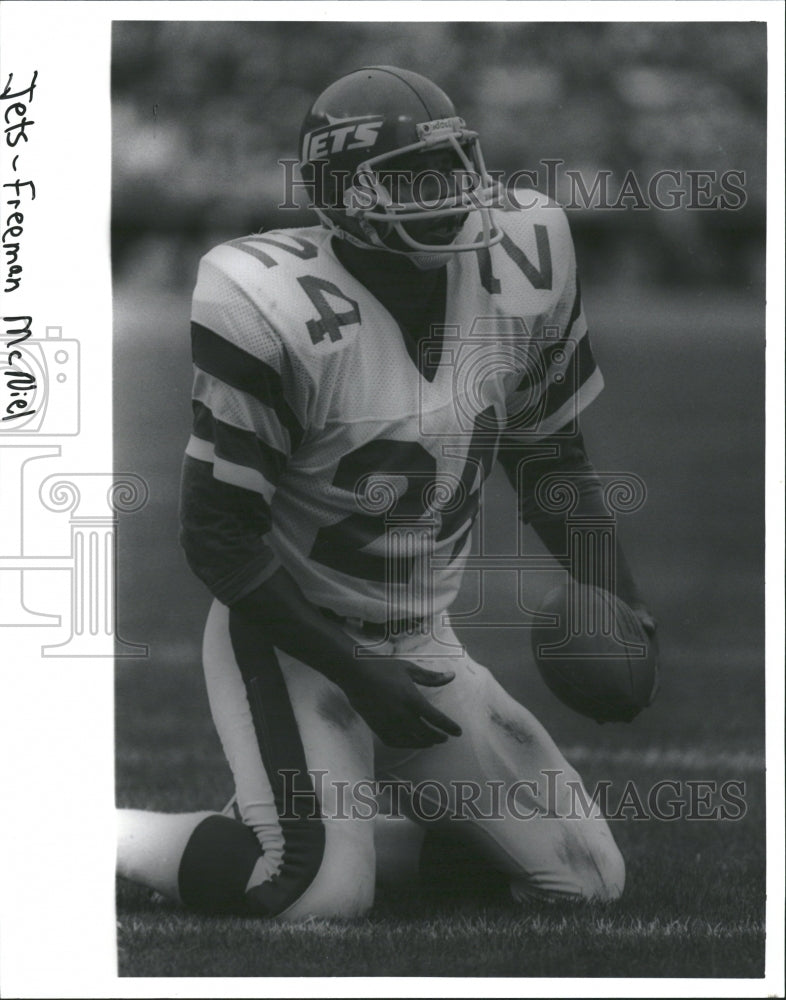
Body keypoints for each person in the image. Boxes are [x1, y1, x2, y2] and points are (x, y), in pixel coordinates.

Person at [117, 65, 657, 918]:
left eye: (451, 167)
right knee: (312, 895)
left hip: (422, 639)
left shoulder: (525, 259)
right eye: (410, 180)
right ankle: (96, 838)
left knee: (587, 881)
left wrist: (621, 601)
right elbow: (217, 535)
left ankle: (334, 828)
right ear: (340, 197)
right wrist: (361, 676)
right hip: (289, 635)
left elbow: (549, 454)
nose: (444, 194)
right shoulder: (267, 303)